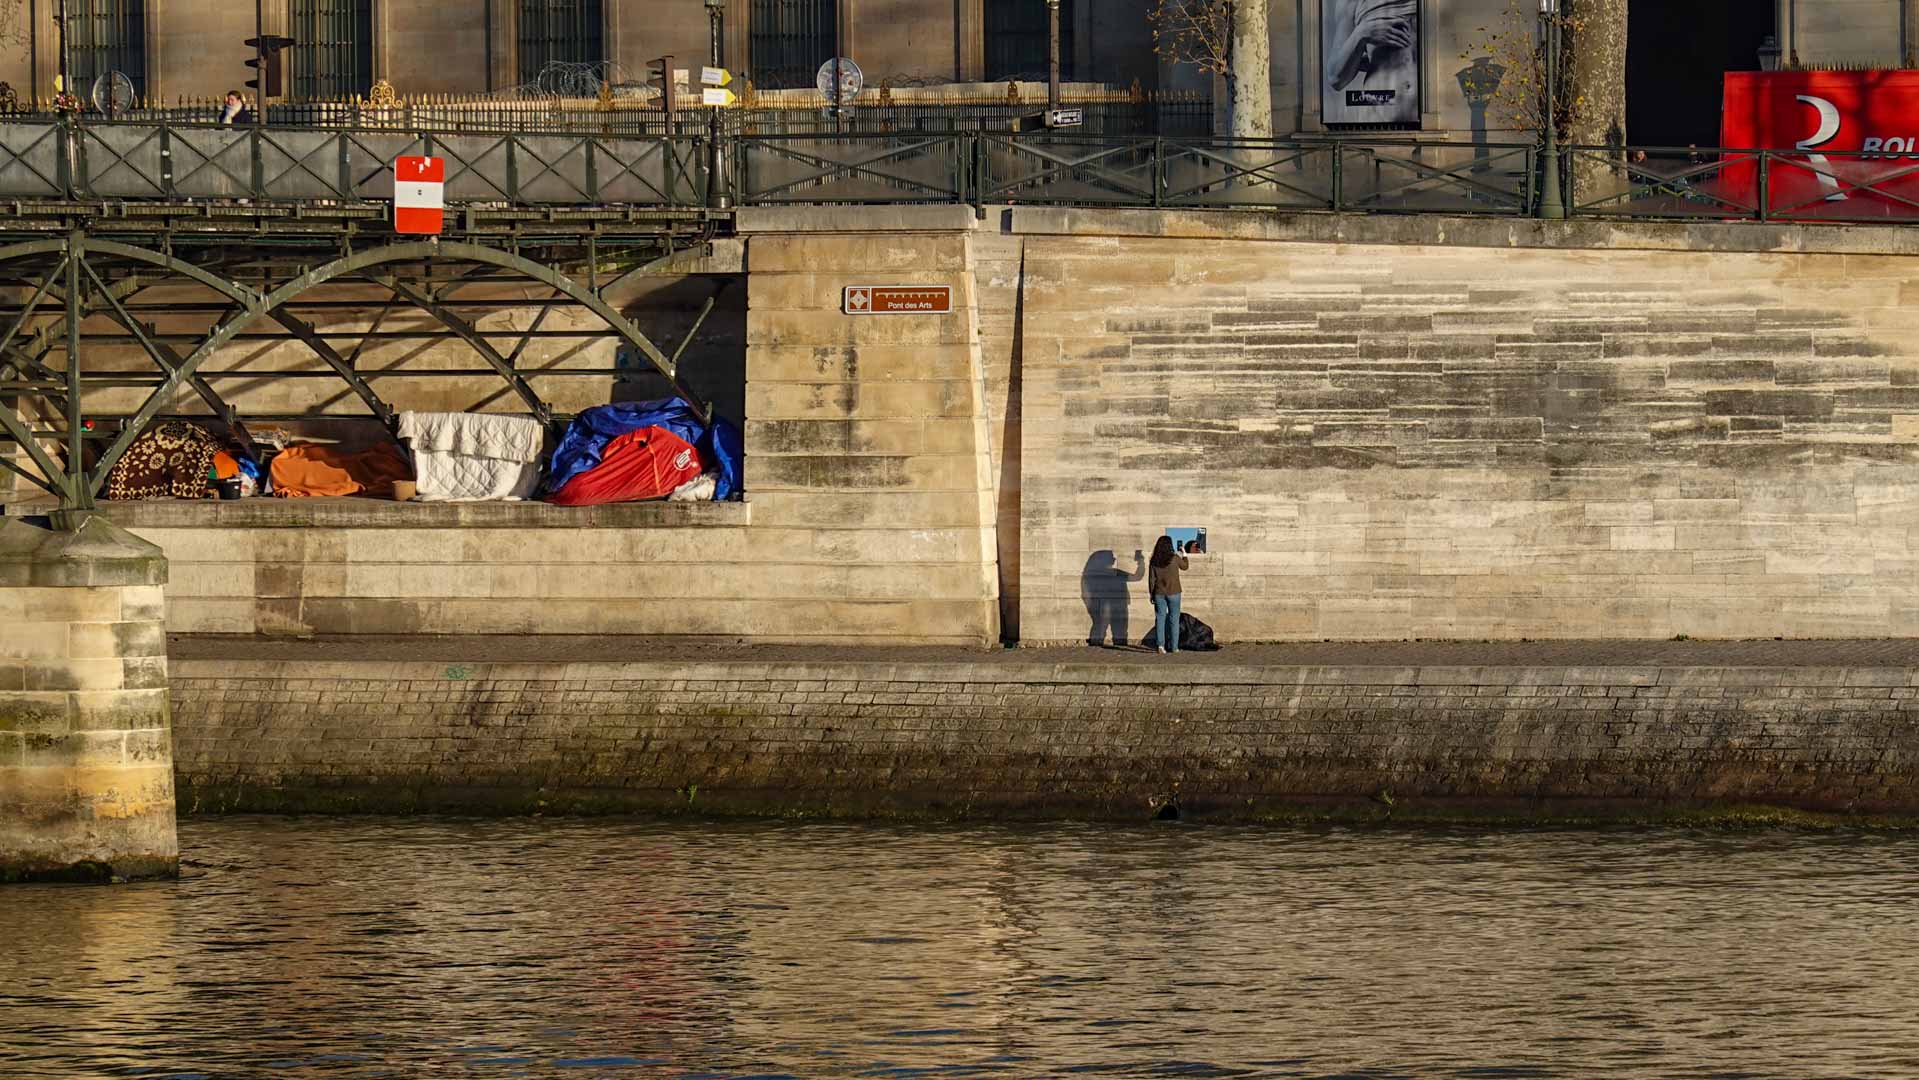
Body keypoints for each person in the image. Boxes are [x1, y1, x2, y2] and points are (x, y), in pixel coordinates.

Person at [1148, 536, 1189, 655]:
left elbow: (1151, 580)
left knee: (1160, 619)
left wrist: (1152, 594)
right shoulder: (1175, 558)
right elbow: (1185, 567)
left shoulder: (1154, 560)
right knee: (1174, 620)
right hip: (1174, 592)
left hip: (1159, 593)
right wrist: (1184, 553)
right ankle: (1174, 647)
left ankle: (1160, 646)